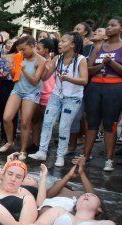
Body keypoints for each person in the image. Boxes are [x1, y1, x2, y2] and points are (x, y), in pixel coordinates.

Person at [84, 17, 122, 171]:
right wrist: (101, 65)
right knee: (92, 122)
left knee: (109, 124)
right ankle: (85, 156)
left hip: (115, 89)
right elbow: (88, 69)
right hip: (95, 87)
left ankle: (109, 159)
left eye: (113, 25)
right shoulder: (98, 47)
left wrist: (112, 63)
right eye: (108, 25)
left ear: (121, 29)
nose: (109, 27)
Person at [30, 33, 88, 167]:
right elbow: (44, 78)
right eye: (60, 41)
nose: (60, 44)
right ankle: (42, 151)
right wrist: (46, 67)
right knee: (47, 122)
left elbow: (84, 80)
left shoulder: (81, 59)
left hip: (72, 98)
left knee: (63, 126)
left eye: (63, 41)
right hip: (56, 95)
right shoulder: (57, 58)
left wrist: (68, 78)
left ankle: (60, 155)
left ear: (72, 44)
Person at [0, 36, 46, 160]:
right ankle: (10, 141)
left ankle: (23, 150)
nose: (21, 52)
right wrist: (11, 70)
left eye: (23, 50)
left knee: (25, 122)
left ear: (32, 46)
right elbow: (15, 76)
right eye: (19, 50)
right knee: (6, 117)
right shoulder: (19, 57)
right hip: (17, 90)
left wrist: (23, 70)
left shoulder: (41, 60)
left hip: (31, 93)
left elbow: (36, 81)